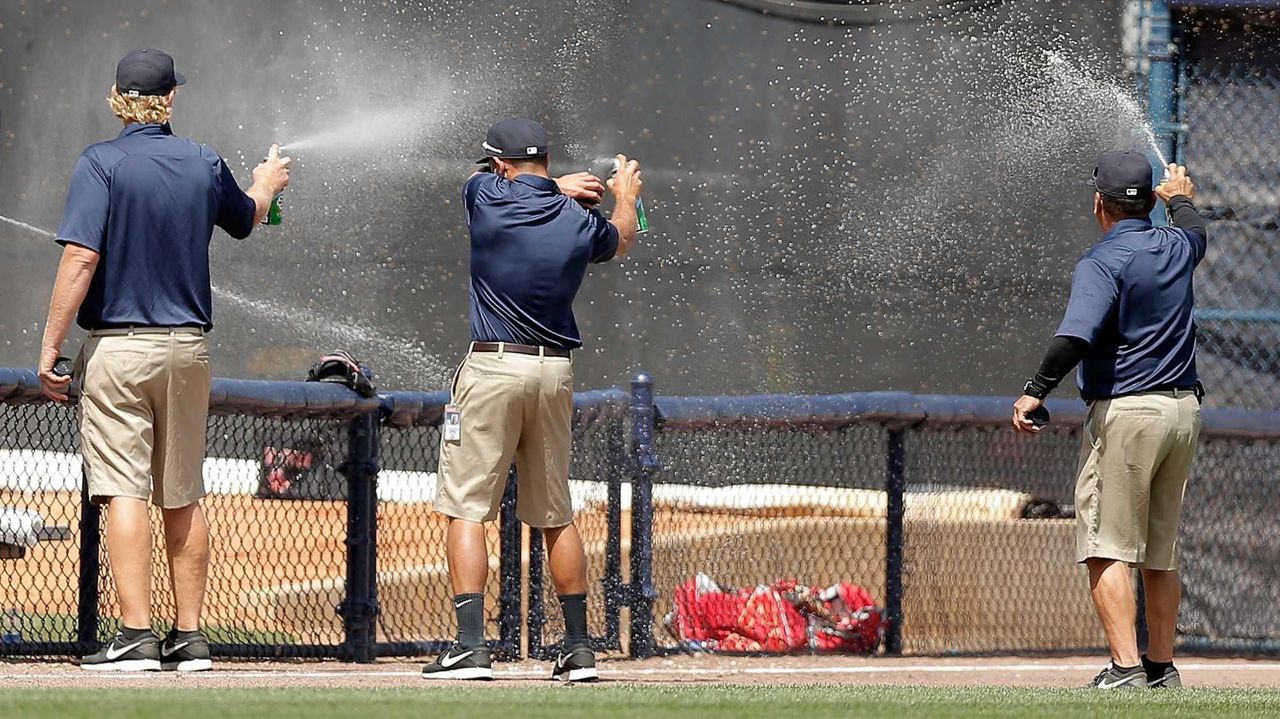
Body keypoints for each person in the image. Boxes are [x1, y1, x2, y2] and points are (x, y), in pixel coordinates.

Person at [37, 48, 291, 672]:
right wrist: (266, 184)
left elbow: (80, 259)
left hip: (119, 351)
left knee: (124, 489)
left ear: (116, 97)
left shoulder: (100, 162)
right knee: (182, 493)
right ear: (171, 98)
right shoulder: (203, 159)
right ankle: (191, 637)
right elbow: (248, 218)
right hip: (187, 349)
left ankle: (135, 636)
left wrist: (50, 347)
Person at [421, 118, 642, 682]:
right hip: (554, 372)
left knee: (467, 508)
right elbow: (621, 238)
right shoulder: (579, 222)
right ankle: (578, 649)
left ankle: (471, 648)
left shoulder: (484, 196)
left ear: (500, 166)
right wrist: (626, 198)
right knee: (554, 512)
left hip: (492, 366)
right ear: (544, 164)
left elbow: (499, 182)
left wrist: (552, 185)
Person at [1012, 152, 1208, 689]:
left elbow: (1076, 336)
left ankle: (1125, 669)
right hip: (1182, 411)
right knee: (1160, 552)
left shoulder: (1103, 261)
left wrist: (1034, 392)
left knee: (1106, 544)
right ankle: (1162, 669)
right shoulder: (1176, 246)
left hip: (1128, 413)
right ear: (1148, 200)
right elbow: (1195, 229)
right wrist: (1182, 198)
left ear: (1100, 203)